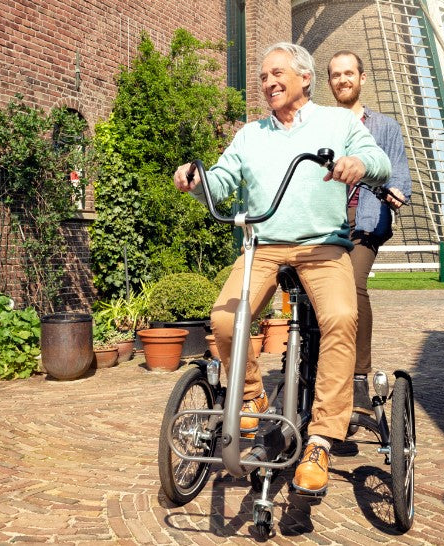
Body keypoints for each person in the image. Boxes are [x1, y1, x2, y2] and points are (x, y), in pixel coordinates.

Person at [174, 42, 391, 495]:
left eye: (278, 73)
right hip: (263, 246)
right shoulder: (251, 134)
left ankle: (319, 441)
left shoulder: (338, 122)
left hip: (323, 247)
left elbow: (380, 162)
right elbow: (222, 179)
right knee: (224, 319)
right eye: (263, 77)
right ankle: (251, 395)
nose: (269, 82)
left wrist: (358, 164)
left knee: (340, 319)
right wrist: (197, 182)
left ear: (305, 77)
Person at [327, 51, 412, 414]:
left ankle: (359, 376)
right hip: (326, 219)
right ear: (328, 82)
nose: (343, 79)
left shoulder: (386, 127)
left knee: (353, 284)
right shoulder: (322, 123)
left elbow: (398, 172)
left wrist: (399, 192)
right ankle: (323, 371)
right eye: (335, 75)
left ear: (362, 78)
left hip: (365, 218)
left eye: (349, 73)